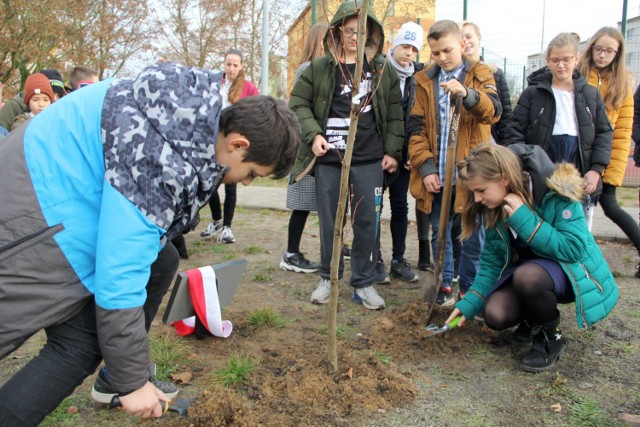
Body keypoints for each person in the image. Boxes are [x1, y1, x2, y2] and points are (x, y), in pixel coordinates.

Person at [0, 61, 300, 425]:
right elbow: (120, 275)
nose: (247, 183)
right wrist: (133, 382)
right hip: (29, 224)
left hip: (55, 203)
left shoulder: (185, 113)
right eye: (252, 173)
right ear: (238, 144)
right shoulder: (162, 160)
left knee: (161, 263)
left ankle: (112, 374)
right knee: (75, 344)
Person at [446, 144, 618, 372]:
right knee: (495, 314)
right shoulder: (496, 207)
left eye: (481, 190)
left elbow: (573, 249)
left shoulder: (557, 192)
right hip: (527, 275)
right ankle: (533, 318)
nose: (477, 199)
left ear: (504, 178)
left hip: (566, 274)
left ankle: (550, 337)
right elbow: (491, 264)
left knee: (527, 277)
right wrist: (468, 304)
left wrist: (525, 219)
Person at [289, 0, 404, 310]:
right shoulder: (319, 69)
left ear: (372, 34)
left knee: (368, 220)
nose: (356, 37)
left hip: (369, 160)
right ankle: (328, 277)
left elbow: (394, 112)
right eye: (350, 31)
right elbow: (297, 104)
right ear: (338, 31)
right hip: (330, 160)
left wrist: (392, 151)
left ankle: (364, 283)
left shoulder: (381, 70)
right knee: (330, 222)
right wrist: (314, 135)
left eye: (363, 32)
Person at [408, 19, 501, 307]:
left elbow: (494, 111)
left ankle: (469, 291)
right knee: (441, 232)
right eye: (435, 53)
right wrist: (425, 169)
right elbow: (416, 130)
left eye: (447, 50)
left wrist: (468, 94)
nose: (441, 58)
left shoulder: (480, 73)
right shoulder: (425, 80)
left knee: (473, 238)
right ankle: (444, 285)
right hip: (438, 176)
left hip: (473, 178)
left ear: (462, 45)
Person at [505, 32, 613, 231]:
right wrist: (523, 167)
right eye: (555, 60)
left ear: (576, 59)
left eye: (566, 59)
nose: (561, 65)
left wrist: (596, 169)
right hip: (543, 163)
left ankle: (578, 260)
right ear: (548, 61)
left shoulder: (589, 94)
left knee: (577, 224)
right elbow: (515, 131)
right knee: (543, 220)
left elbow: (604, 133)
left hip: (579, 167)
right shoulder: (533, 94)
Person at [579, 27, 640, 276]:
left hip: (604, 161)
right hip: (578, 155)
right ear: (591, 47)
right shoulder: (580, 74)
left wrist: (609, 171)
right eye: (598, 49)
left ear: (617, 53)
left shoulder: (623, 83)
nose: (602, 55)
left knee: (610, 206)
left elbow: (623, 131)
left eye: (609, 51)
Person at [373, 21, 425, 284]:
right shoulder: (378, 72)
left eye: (414, 49)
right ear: (394, 46)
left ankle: (398, 259)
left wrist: (410, 156)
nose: (409, 53)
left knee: (401, 208)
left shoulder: (418, 79)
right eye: (405, 46)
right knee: (373, 207)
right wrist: (383, 152)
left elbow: (417, 120)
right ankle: (375, 259)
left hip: (405, 159)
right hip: (377, 156)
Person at [280, 22, 328, 274]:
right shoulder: (307, 69)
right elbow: (299, 108)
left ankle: (333, 249)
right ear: (320, 43)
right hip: (308, 149)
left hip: (323, 147)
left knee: (326, 204)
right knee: (302, 203)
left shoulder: (327, 70)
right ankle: (291, 253)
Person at [200, 49, 260, 244]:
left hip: (235, 144)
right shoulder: (215, 85)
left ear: (241, 66)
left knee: (231, 185)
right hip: (213, 140)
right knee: (210, 183)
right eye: (228, 64)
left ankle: (227, 227)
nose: (231, 68)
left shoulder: (248, 88)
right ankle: (216, 220)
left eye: (235, 65)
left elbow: (258, 111)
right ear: (224, 65)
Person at [0, 68, 66, 135]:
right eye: (52, 93)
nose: (54, 99)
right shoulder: (15, 106)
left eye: (58, 96)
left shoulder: (61, 114)